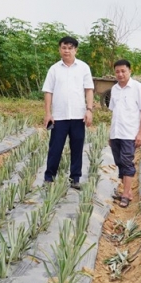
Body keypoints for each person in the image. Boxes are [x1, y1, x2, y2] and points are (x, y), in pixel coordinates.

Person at [41, 36, 94, 189]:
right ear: (60, 49)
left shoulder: (84, 68)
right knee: (55, 148)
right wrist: (48, 113)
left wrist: (89, 110)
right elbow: (48, 92)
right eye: (64, 48)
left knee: (77, 148)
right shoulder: (54, 69)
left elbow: (89, 90)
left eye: (70, 48)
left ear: (75, 50)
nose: (67, 51)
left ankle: (75, 179)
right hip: (59, 116)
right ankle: (49, 178)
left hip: (78, 115)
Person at [108, 59, 141, 208]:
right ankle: (128, 192)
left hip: (129, 133)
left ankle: (126, 194)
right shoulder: (114, 89)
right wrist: (110, 134)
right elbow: (114, 113)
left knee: (126, 162)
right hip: (116, 133)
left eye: (123, 71)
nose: (120, 74)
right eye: (117, 71)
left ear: (130, 71)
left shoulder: (137, 88)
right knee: (119, 162)